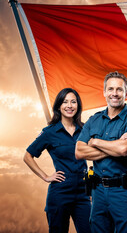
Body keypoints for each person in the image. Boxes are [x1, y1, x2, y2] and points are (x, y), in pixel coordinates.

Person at [75, 71, 127, 233]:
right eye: (111, 89)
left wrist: (95, 142)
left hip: (123, 192)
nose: (115, 93)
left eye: (119, 90)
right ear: (104, 92)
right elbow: (79, 151)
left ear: (126, 93)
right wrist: (115, 145)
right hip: (98, 192)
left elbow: (124, 149)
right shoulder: (94, 120)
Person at [23, 88, 91, 233]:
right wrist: (46, 177)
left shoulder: (85, 129)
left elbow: (99, 148)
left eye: (73, 102)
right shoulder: (49, 132)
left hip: (84, 193)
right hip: (60, 193)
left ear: (78, 105)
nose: (69, 105)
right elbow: (27, 156)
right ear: (59, 106)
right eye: (65, 102)